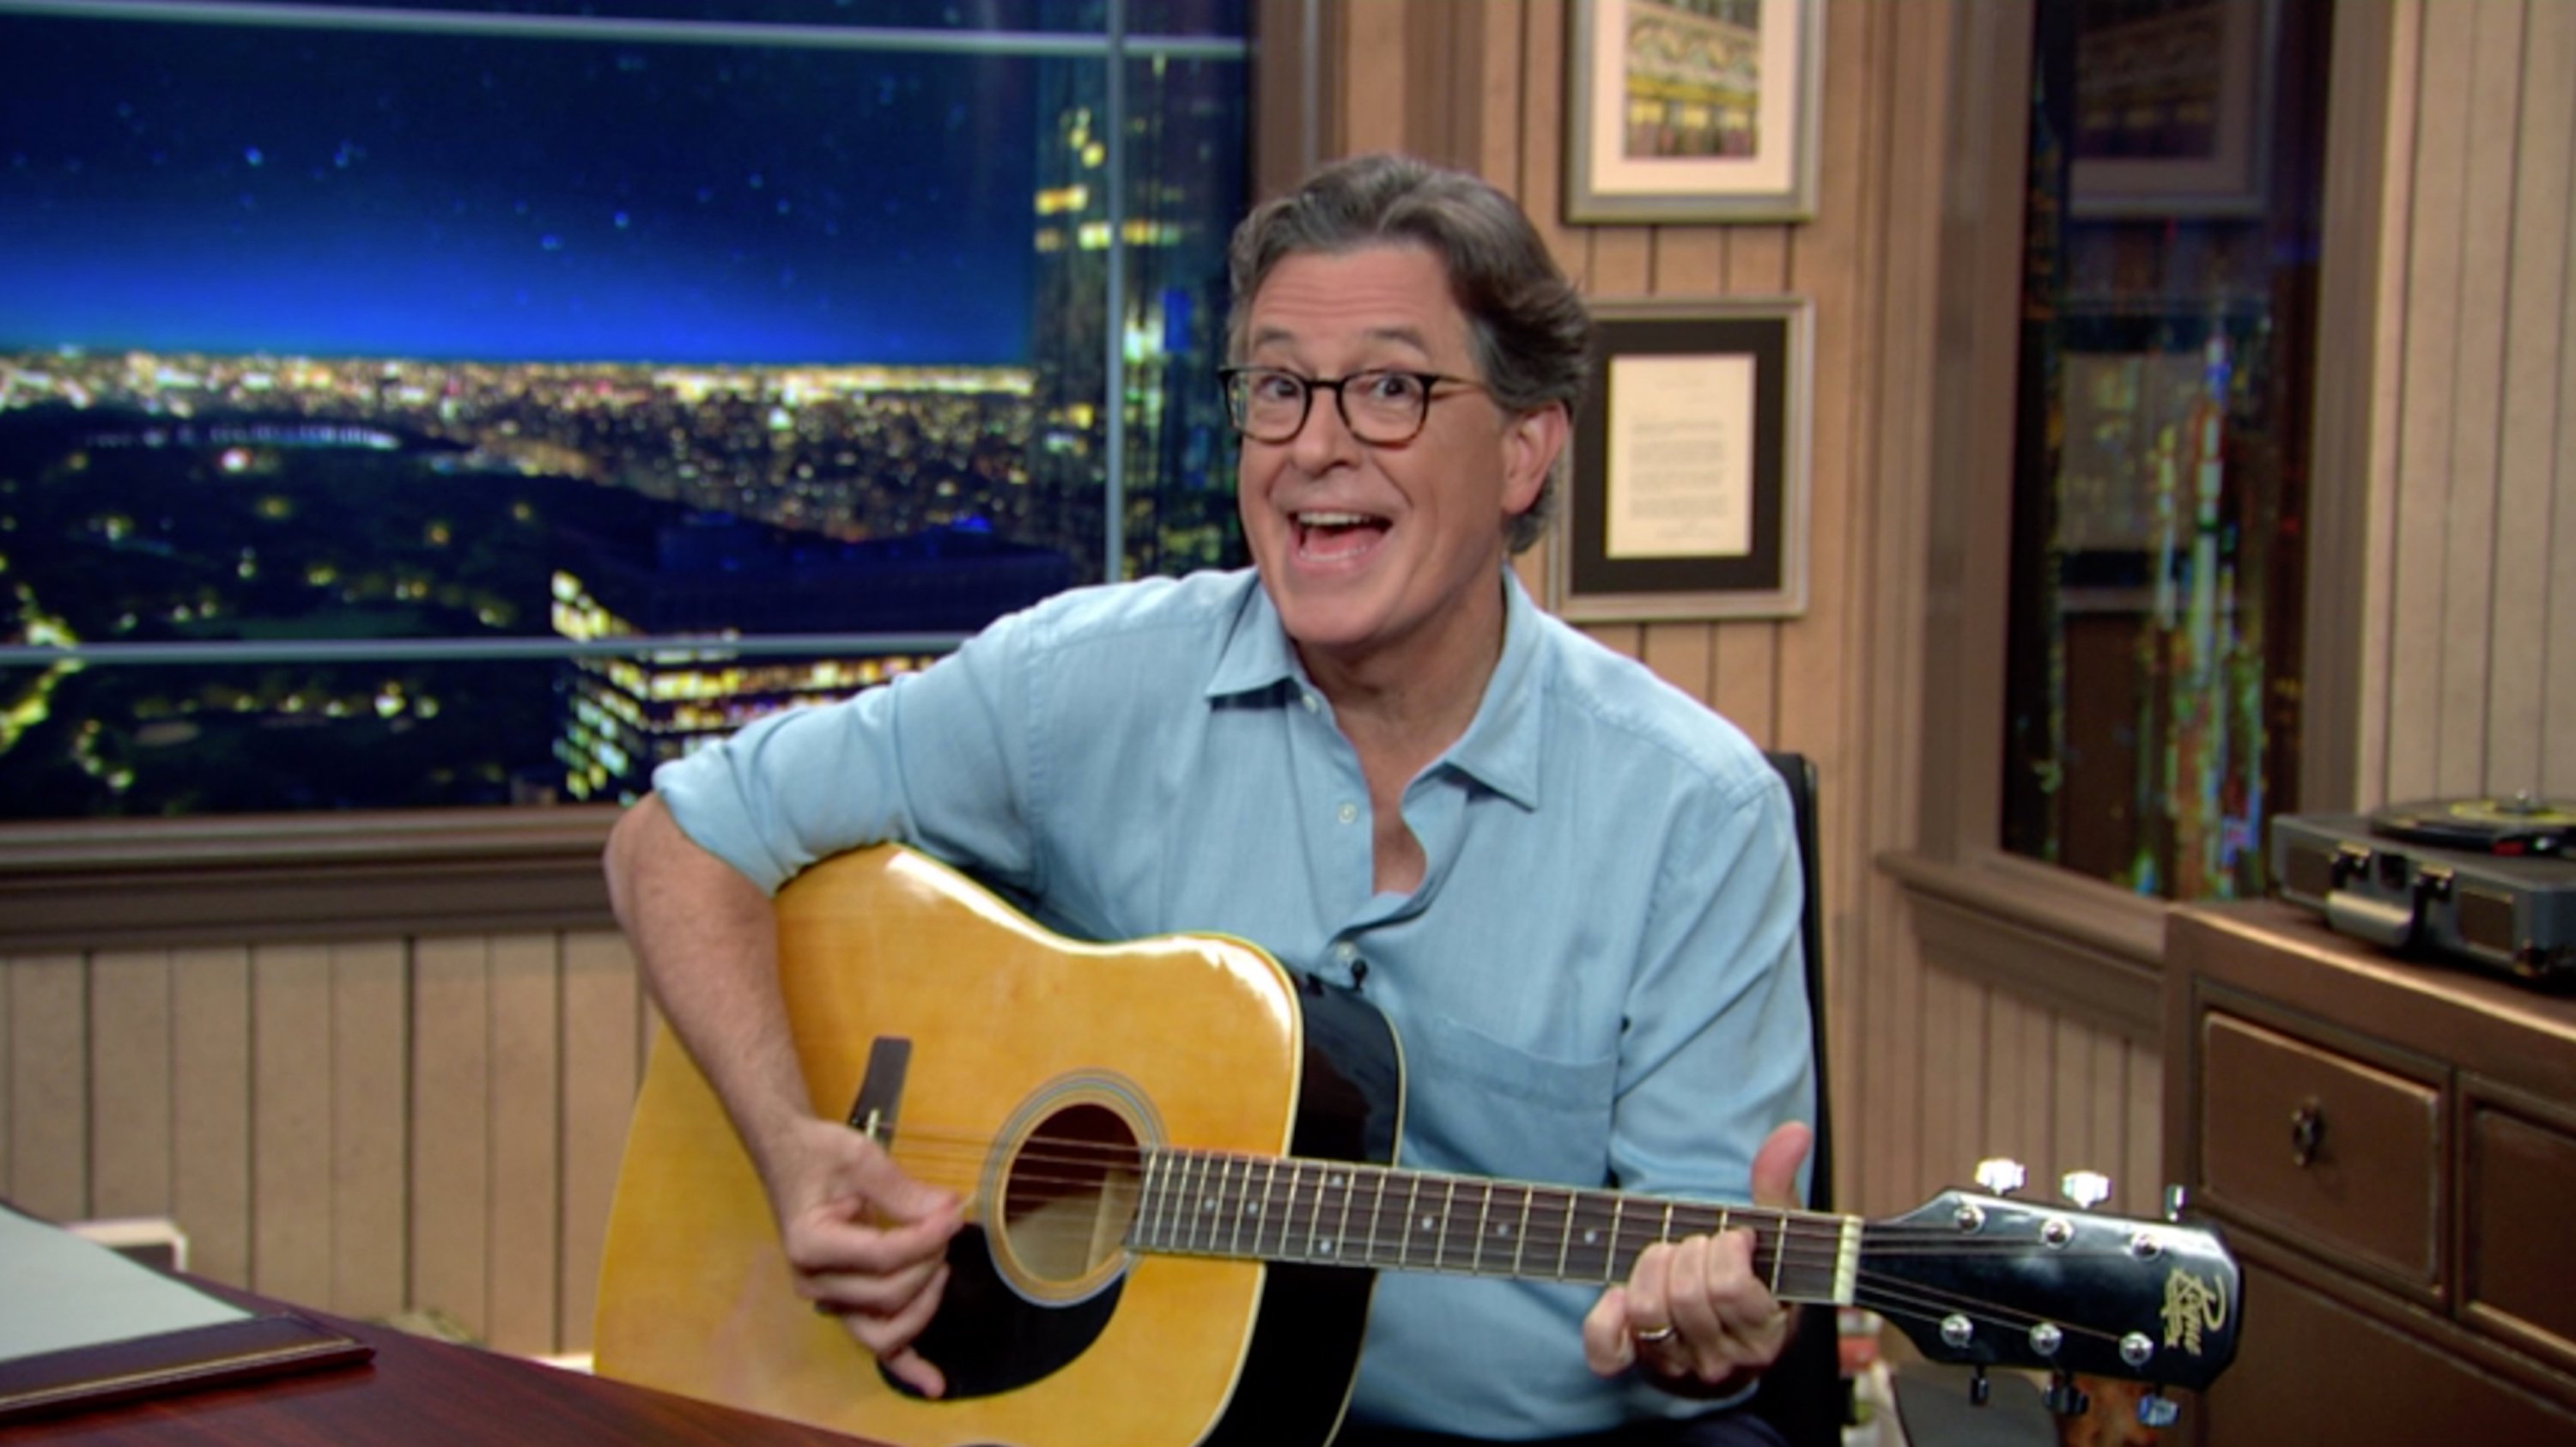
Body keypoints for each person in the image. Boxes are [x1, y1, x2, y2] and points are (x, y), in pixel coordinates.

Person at [604, 151, 1816, 1447]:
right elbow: (672, 839)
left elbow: (1711, 1280)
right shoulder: (1074, 686)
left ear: (1525, 450)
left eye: (1391, 390)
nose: (1315, 446)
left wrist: (1704, 1323)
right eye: (1280, 388)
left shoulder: (1700, 811)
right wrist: (794, 1144)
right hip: (1132, 1418)